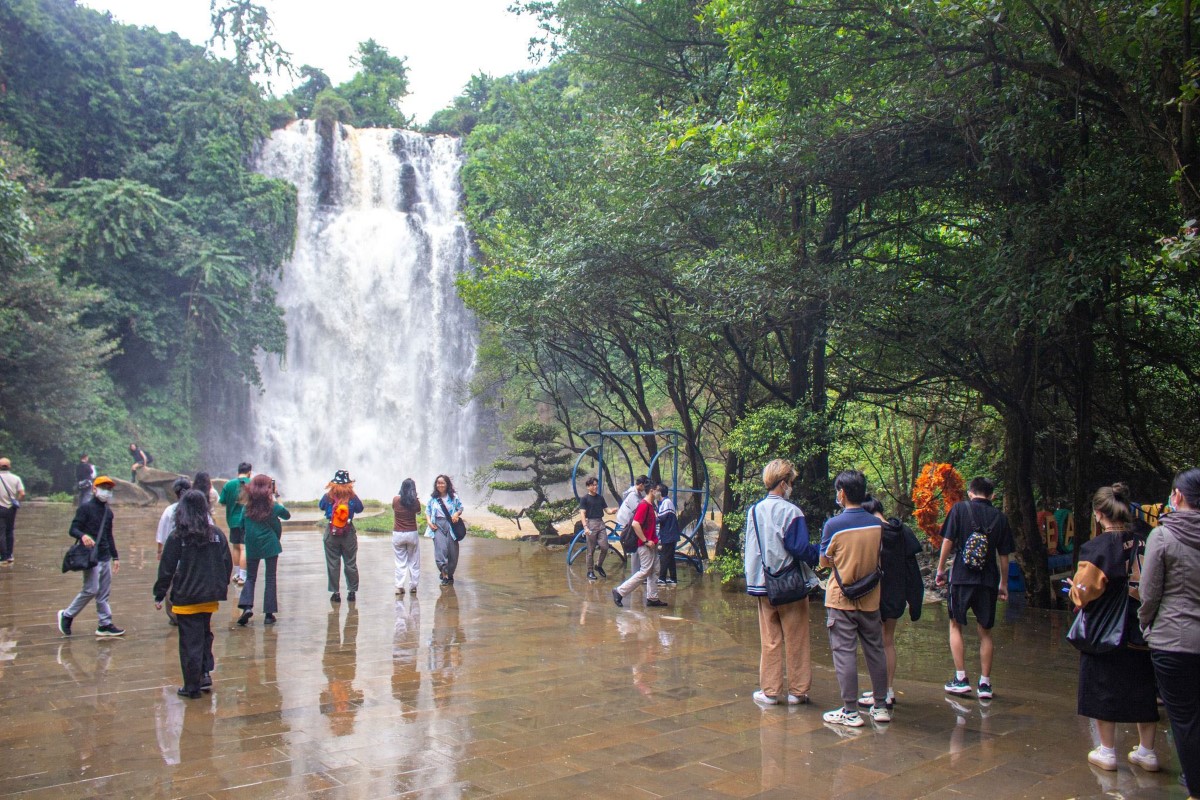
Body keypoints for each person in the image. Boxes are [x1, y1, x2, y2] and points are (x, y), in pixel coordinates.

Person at [1069, 483, 1160, 772]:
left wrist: (1074, 590)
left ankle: (1107, 750)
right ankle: (1147, 751)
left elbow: (1084, 593)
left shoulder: (1098, 548)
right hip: (1143, 628)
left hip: (1107, 632)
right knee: (1144, 687)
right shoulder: (1148, 538)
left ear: (1098, 514)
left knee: (1101, 686)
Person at [1139, 468, 1200, 799]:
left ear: (1177, 497)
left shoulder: (1162, 536)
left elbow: (1149, 593)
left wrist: (1145, 624)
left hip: (1173, 641)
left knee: (1185, 720)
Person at [743, 459, 818, 706]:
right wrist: (820, 554)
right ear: (784, 483)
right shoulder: (792, 512)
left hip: (764, 586)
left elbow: (753, 550)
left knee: (770, 639)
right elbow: (798, 548)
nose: (791, 487)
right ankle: (798, 691)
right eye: (791, 482)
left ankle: (771, 691)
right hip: (791, 586)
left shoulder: (754, 511)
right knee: (796, 639)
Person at [819, 470, 889, 727]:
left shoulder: (834, 525)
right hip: (871, 596)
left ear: (842, 493)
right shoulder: (876, 523)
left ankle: (850, 711)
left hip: (841, 598)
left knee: (844, 652)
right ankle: (880, 706)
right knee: (876, 650)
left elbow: (824, 560)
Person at [935, 476, 1015, 699]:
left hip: (961, 576)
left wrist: (940, 570)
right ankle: (985, 684)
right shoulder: (1000, 518)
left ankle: (961, 678)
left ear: (970, 493)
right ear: (992, 495)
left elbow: (948, 541)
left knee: (955, 624)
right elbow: (1004, 555)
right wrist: (1004, 584)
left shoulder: (959, 509)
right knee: (985, 632)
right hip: (988, 579)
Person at [153, 490, 232, 698]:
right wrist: (220, 585)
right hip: (209, 597)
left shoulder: (178, 536)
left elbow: (167, 568)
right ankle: (204, 674)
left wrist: (160, 594)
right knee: (205, 634)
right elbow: (227, 562)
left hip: (186, 597)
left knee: (190, 641)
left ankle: (191, 686)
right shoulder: (216, 534)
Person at [858, 496, 924, 711]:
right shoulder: (901, 530)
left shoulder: (872, 532)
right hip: (897, 594)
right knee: (888, 642)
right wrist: (914, 601)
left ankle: (881, 693)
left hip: (875, 594)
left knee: (875, 644)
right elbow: (913, 569)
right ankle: (887, 690)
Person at [57, 475, 124, 637]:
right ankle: (67, 615)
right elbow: (73, 529)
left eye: (109, 489)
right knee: (91, 589)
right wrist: (83, 536)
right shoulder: (85, 508)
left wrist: (115, 557)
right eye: (103, 488)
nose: (106, 492)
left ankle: (105, 624)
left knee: (103, 593)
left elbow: (109, 535)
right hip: (90, 556)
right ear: (94, 489)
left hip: (105, 555)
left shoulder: (108, 512)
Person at [236, 474, 289, 626]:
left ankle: (247, 606)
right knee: (270, 577)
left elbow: (241, 525)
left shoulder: (247, 508)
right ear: (268, 489)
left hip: (252, 545)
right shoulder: (273, 507)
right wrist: (276, 496)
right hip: (270, 544)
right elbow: (287, 515)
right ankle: (268, 614)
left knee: (251, 577)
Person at [612, 482, 668, 608]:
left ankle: (652, 598)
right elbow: (635, 524)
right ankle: (620, 591)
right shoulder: (643, 505)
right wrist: (645, 541)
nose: (660, 494)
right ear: (652, 490)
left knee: (655, 569)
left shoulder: (650, 505)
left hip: (652, 544)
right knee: (645, 571)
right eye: (658, 490)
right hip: (645, 545)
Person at [320, 469, 363, 602]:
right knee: (350, 562)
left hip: (332, 532)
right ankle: (352, 592)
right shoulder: (352, 497)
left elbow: (321, 506)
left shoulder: (328, 496)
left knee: (333, 563)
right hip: (348, 532)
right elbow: (360, 508)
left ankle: (335, 593)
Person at [155, 477, 192, 626]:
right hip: (191, 555)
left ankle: (174, 616)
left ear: (175, 493)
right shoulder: (197, 510)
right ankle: (190, 610)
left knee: (171, 583)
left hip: (173, 554)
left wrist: (160, 552)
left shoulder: (169, 510)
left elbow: (161, 534)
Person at [217, 463, 252, 585]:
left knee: (236, 547)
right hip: (247, 520)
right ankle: (243, 575)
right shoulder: (252, 483)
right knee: (244, 548)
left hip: (232, 520)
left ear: (238, 472)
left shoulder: (229, 484)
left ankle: (237, 573)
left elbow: (222, 502)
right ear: (249, 472)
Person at [426, 474, 463, 586]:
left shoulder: (454, 497)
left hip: (451, 525)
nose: (440, 485)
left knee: (453, 551)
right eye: (438, 483)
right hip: (437, 525)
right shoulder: (433, 498)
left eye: (442, 483)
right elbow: (427, 511)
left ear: (447, 484)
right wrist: (429, 522)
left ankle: (450, 573)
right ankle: (444, 573)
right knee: (440, 550)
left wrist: (456, 513)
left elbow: (460, 507)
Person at [578, 476, 612, 581]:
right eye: (593, 485)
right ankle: (590, 571)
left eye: (596, 484)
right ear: (588, 487)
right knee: (590, 550)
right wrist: (585, 527)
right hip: (591, 523)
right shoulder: (584, 499)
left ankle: (599, 565)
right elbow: (582, 513)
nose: (595, 486)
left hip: (600, 523)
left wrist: (615, 510)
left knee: (605, 547)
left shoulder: (600, 498)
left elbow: (608, 510)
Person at [392, 478, 421, 594]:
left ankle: (399, 586)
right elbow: (418, 511)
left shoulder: (395, 500)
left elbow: (394, 508)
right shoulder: (415, 502)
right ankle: (413, 586)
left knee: (400, 561)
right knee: (414, 561)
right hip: (412, 533)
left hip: (398, 533)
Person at [0, 457, 26, 566]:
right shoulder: (16, 478)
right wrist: (16, 501)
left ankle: (4, 557)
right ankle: (10, 555)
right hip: (12, 508)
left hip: (0, 508)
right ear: (9, 466)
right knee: (9, 531)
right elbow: (22, 493)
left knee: (1, 532)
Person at [656, 482, 682, 585]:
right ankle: (673, 578)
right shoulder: (664, 503)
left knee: (664, 556)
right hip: (669, 534)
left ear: (660, 492)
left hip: (669, 534)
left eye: (657, 490)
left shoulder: (666, 502)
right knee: (670, 557)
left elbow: (661, 518)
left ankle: (662, 578)